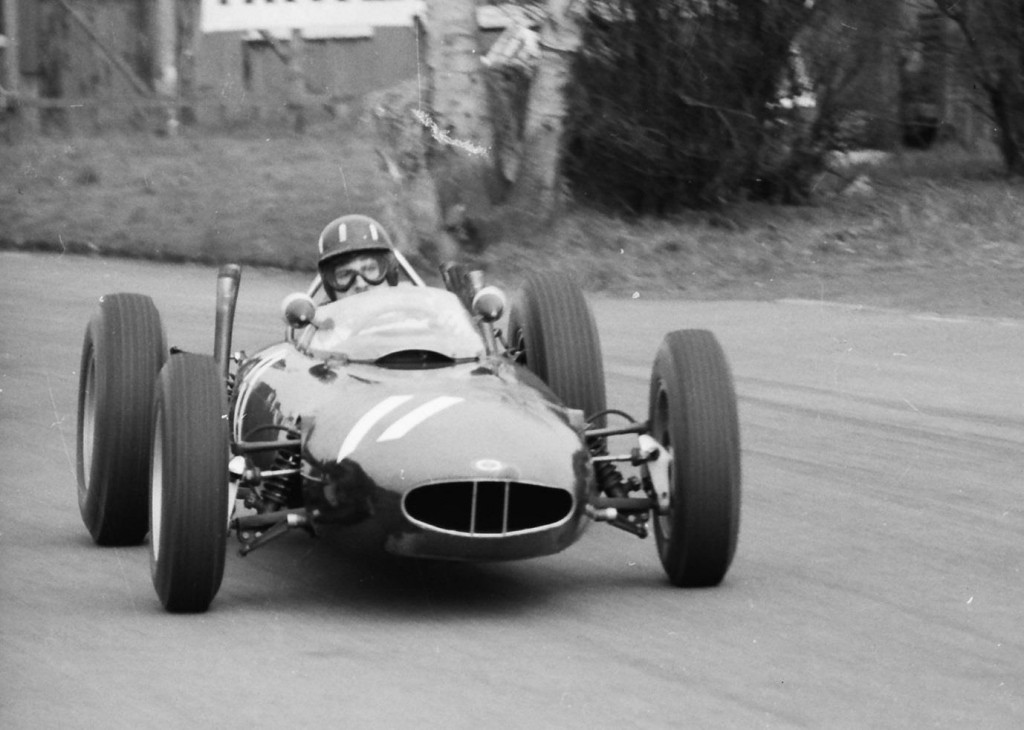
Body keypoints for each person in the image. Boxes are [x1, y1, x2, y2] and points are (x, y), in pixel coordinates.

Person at [316, 214, 400, 300]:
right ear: (331, 288)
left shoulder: (411, 308)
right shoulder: (322, 313)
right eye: (345, 274)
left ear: (391, 274)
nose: (361, 284)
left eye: (370, 269)